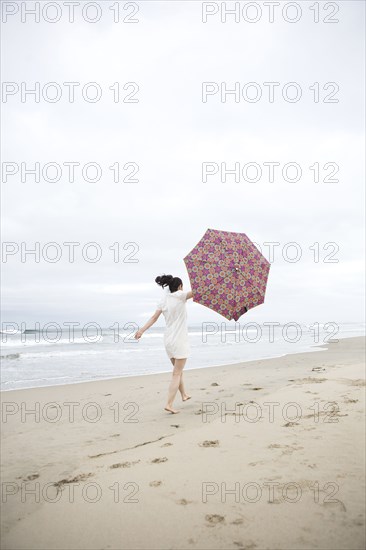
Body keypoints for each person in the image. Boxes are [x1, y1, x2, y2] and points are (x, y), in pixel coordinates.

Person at [134, 274, 193, 414]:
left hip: (168, 340)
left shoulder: (164, 300)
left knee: (178, 371)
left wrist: (141, 330)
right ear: (179, 286)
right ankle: (169, 404)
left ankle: (184, 394)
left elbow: (154, 318)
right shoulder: (180, 295)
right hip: (179, 340)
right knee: (177, 373)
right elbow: (199, 291)